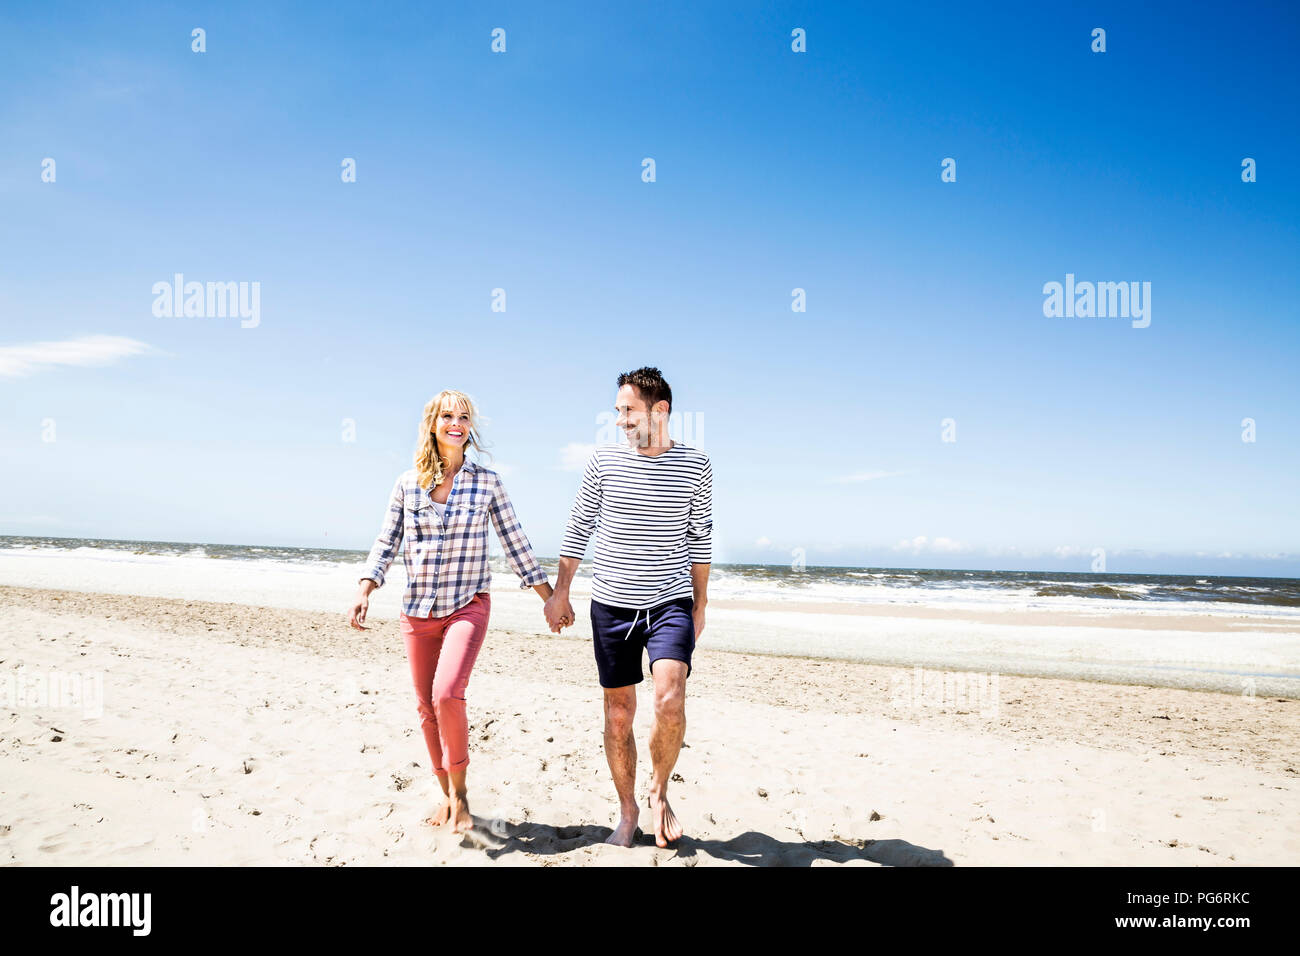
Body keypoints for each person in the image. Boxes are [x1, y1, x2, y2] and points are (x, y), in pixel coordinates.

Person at [349, 389, 560, 833]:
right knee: (426, 707)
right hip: (418, 611)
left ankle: (461, 796)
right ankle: (444, 792)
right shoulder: (408, 483)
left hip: (469, 604)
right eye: (448, 415)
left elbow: (514, 542)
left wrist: (551, 598)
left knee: (447, 694)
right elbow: (387, 541)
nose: (456, 423)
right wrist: (366, 587)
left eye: (464, 417)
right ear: (433, 424)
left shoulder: (488, 482)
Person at [544, 367, 712, 848]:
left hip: (669, 601)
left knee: (668, 698)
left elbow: (700, 539)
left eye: (628, 410)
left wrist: (700, 605)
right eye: (617, 410)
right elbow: (579, 527)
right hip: (612, 605)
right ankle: (628, 808)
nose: (619, 419)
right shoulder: (603, 461)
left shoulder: (697, 465)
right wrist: (560, 592)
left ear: (659, 410)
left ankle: (660, 789)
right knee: (619, 714)